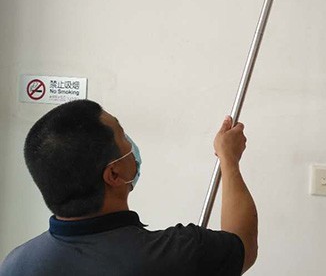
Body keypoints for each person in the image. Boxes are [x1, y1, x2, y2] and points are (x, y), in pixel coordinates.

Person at [0, 99, 257, 275]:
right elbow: (243, 245)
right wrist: (229, 161)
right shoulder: (175, 255)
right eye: (122, 135)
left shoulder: (16, 264)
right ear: (113, 174)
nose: (130, 144)